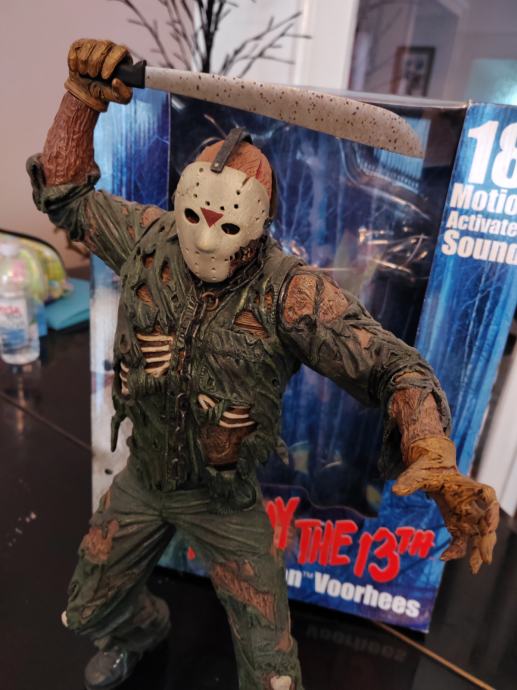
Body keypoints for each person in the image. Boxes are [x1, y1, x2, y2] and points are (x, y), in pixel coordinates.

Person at [28, 39, 499, 690]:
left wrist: (431, 449)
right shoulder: (147, 239)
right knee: (85, 609)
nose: (202, 239)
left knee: (274, 675)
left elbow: (393, 366)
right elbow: (66, 196)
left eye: (225, 226)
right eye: (192, 217)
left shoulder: (288, 292)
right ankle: (143, 631)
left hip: (226, 500)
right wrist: (80, 100)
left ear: (259, 226)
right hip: (145, 480)